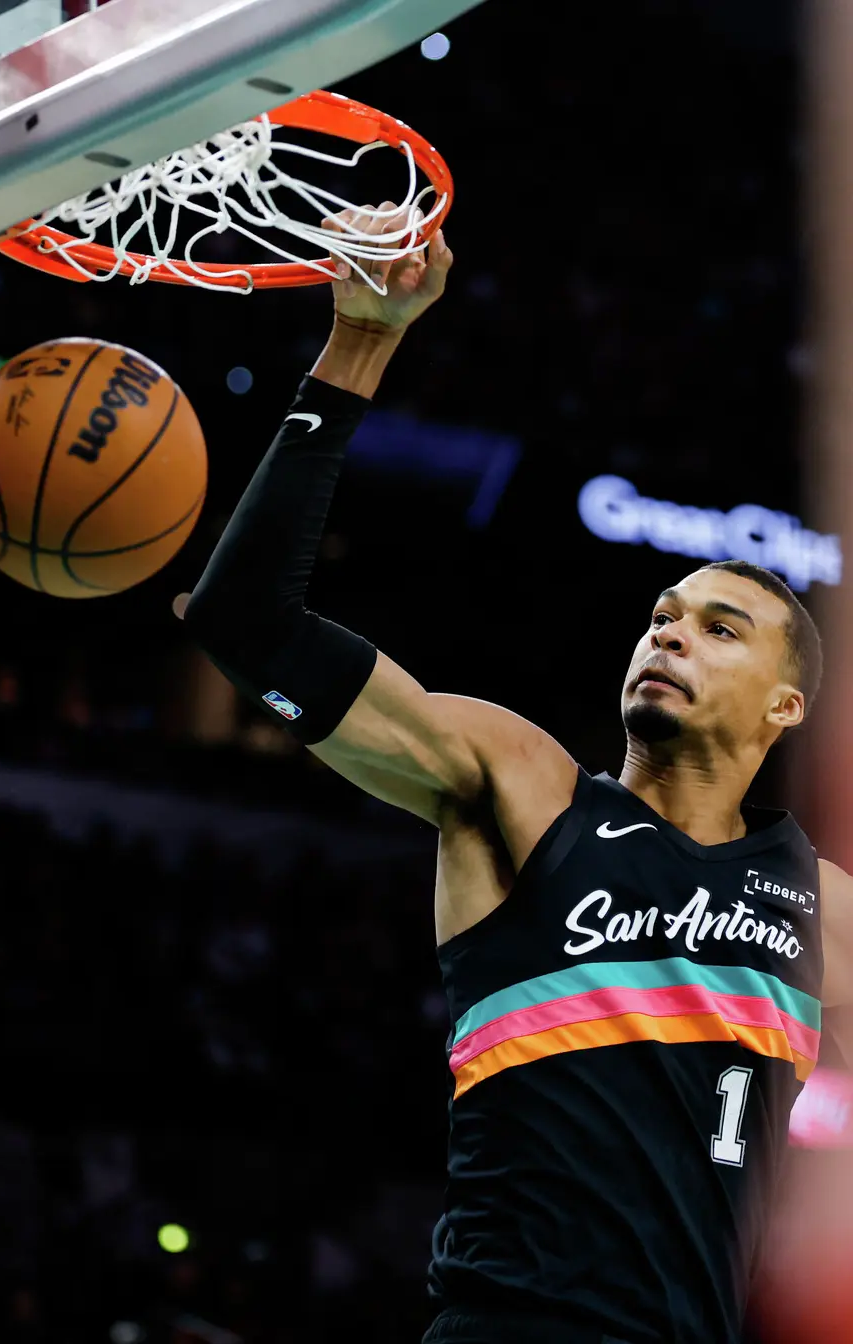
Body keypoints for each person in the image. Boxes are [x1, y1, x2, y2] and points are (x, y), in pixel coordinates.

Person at [174, 204, 853, 1344]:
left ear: (788, 706)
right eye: (661, 614)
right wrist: (362, 342)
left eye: (720, 628)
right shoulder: (522, 785)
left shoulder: (817, 904)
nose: (670, 634)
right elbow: (247, 620)